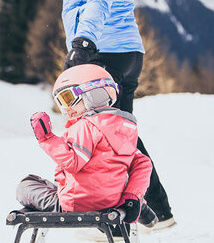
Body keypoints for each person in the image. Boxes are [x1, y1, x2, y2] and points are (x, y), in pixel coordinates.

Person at [61, 0, 176, 231]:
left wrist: (83, 43)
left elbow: (99, 0)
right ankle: (155, 212)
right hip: (115, 50)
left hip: (106, 53)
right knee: (119, 136)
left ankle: (127, 216)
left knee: (106, 139)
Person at [16, 64, 155, 232]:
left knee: (26, 186)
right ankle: (140, 207)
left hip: (75, 204)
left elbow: (72, 162)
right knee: (116, 172)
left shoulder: (86, 125)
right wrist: (132, 195)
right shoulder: (126, 128)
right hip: (111, 201)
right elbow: (143, 164)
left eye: (68, 98)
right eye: (61, 102)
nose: (66, 107)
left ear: (94, 93)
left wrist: (46, 138)